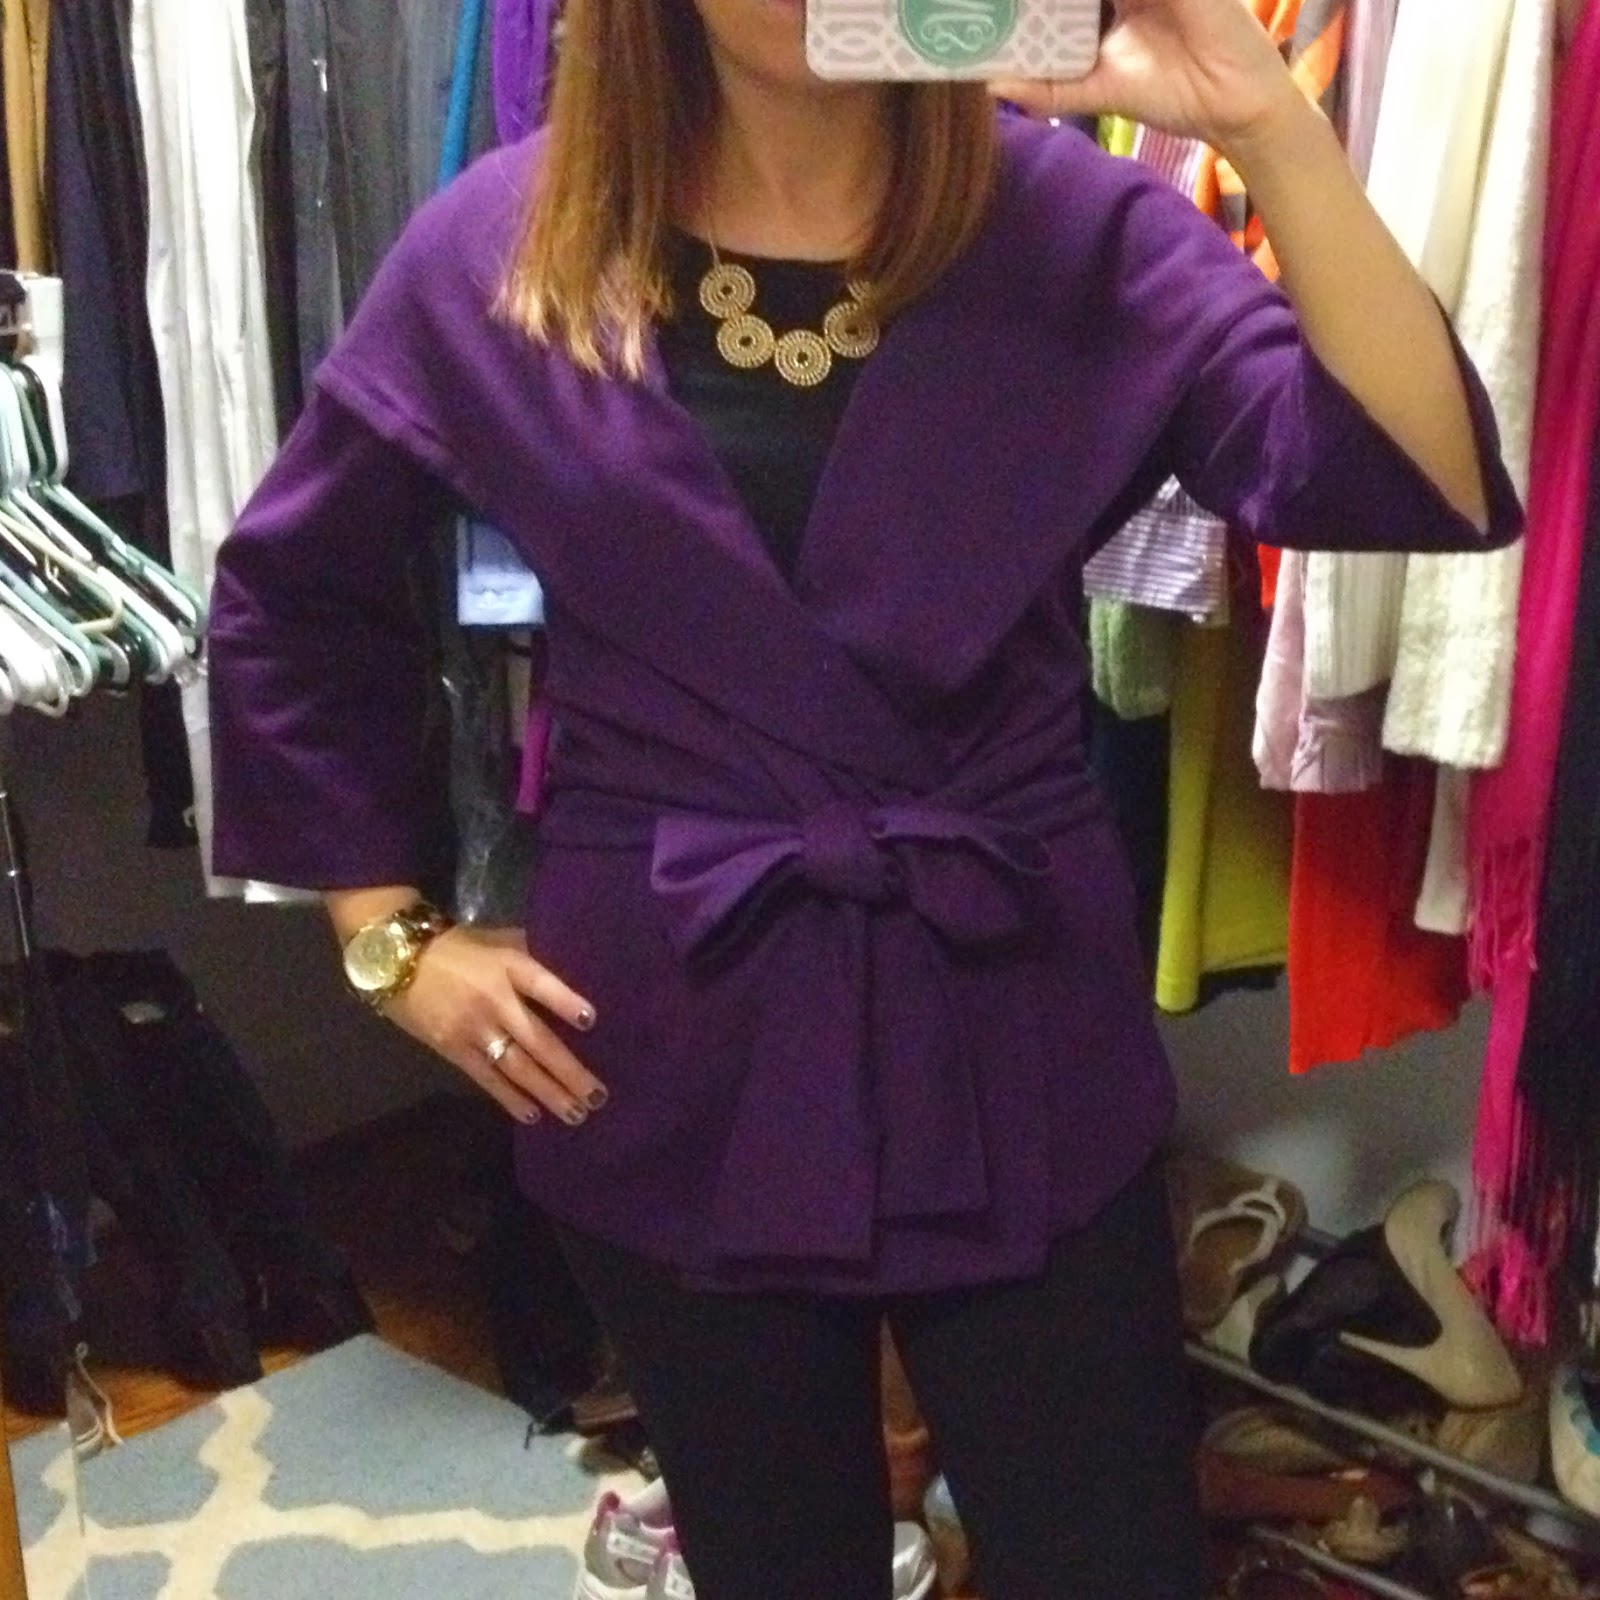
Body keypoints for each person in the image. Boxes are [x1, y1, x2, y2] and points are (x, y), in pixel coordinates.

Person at [207, 0, 1522, 1595]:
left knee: (1114, 1559)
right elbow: (294, 598)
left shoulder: (1076, 227)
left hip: (1010, 1000)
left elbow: (1417, 473)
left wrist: (1270, 126)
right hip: (674, 1015)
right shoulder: (506, 245)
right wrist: (392, 943)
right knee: (777, 1563)